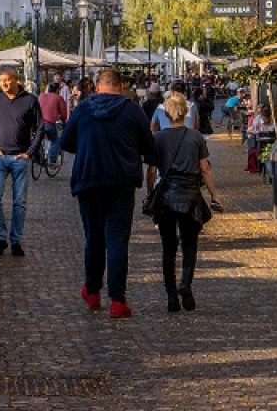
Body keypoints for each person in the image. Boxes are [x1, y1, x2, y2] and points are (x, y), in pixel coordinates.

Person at [60, 67, 155, 319]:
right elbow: (148, 145)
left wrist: (87, 144)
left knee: (94, 238)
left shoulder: (83, 109)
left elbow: (65, 142)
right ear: (120, 86)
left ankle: (92, 291)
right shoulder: (132, 110)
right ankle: (117, 299)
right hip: (121, 181)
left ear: (98, 86)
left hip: (89, 179)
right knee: (117, 239)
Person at [145, 92, 222, 312]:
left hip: (167, 196)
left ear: (166, 113)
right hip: (190, 195)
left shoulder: (157, 139)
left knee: (168, 249)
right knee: (190, 246)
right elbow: (205, 168)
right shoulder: (196, 137)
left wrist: (151, 193)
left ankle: (171, 298)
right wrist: (214, 195)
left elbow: (151, 171)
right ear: (185, 112)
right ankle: (185, 283)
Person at [0, 67, 42, 256]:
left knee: (19, 201)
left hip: (19, 157)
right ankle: (0, 237)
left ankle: (15, 240)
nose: (5, 84)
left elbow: (40, 127)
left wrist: (30, 152)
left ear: (16, 80)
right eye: (1, 80)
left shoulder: (30, 100)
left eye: (8, 80)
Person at [37, 80, 70, 168]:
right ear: (58, 90)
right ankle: (52, 161)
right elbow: (63, 113)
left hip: (38, 123)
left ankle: (37, 157)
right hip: (49, 123)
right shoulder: (58, 98)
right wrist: (64, 123)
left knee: (38, 139)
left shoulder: (41, 96)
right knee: (54, 140)